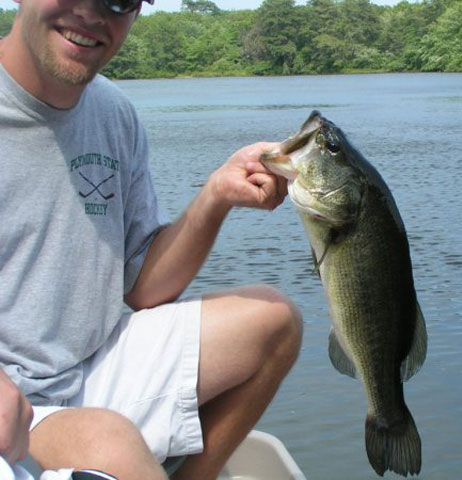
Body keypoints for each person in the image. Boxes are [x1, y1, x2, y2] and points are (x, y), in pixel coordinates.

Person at [0, 0, 303, 478]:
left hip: (86, 368)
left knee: (272, 321)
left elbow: (144, 290)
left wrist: (216, 195)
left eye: (119, 0)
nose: (93, 12)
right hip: (11, 399)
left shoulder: (113, 113)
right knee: (111, 443)